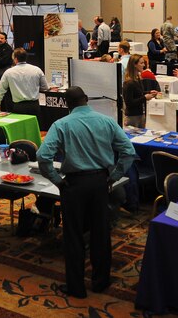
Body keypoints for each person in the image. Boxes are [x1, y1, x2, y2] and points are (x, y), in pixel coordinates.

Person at [37, 87, 136, 298]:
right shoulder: (107, 121)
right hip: (101, 182)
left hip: (73, 185)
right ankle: (100, 282)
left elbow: (43, 156)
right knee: (101, 233)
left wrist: (57, 181)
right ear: (87, 100)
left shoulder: (61, 125)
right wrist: (115, 176)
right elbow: (128, 152)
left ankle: (76, 287)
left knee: (73, 236)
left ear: (66, 105)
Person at [0, 48, 52, 116]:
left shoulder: (9, 72)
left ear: (15, 59)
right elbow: (45, 87)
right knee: (34, 126)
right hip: (34, 106)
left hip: (19, 107)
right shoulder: (37, 70)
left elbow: (0, 90)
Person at [122, 55, 158, 128]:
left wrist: (149, 92)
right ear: (134, 65)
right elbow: (129, 103)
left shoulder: (138, 78)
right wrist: (145, 98)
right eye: (141, 63)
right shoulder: (129, 82)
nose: (144, 65)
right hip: (132, 117)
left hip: (140, 114)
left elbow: (139, 93)